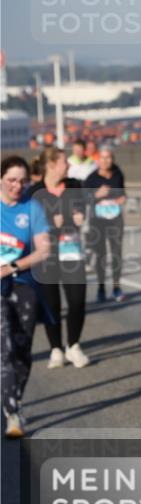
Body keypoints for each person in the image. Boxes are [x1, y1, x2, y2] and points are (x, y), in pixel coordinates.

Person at [1, 156, 51, 438]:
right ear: (0, 179)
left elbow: (44, 250)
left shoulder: (32, 208)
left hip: (24, 282)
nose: (17, 186)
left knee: (23, 350)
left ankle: (16, 397)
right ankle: (12, 414)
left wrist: (13, 266)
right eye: (11, 180)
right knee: (4, 350)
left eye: (22, 181)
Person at [28, 147, 90, 369]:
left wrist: (78, 217)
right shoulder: (34, 192)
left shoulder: (74, 186)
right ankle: (56, 348)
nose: (69, 165)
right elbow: (33, 225)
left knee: (77, 301)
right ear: (52, 165)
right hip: (46, 257)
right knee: (51, 304)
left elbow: (80, 213)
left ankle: (73, 345)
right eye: (65, 161)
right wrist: (53, 223)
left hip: (72, 252)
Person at [83, 146, 126, 303]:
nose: (106, 161)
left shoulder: (118, 174)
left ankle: (116, 287)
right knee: (101, 254)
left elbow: (122, 192)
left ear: (112, 159)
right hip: (98, 221)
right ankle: (101, 288)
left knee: (116, 254)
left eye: (108, 157)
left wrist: (122, 198)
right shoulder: (91, 178)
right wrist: (96, 195)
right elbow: (83, 198)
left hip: (115, 219)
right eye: (102, 158)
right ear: (97, 160)